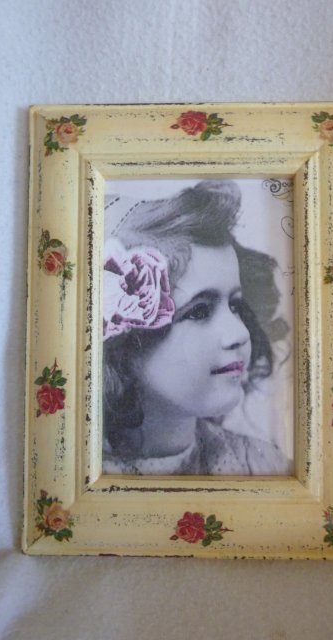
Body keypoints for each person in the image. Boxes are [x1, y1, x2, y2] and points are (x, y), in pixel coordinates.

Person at [102, 180, 292, 475]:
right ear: (123, 341)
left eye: (235, 306)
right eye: (199, 311)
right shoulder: (74, 475)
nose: (240, 334)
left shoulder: (265, 468)